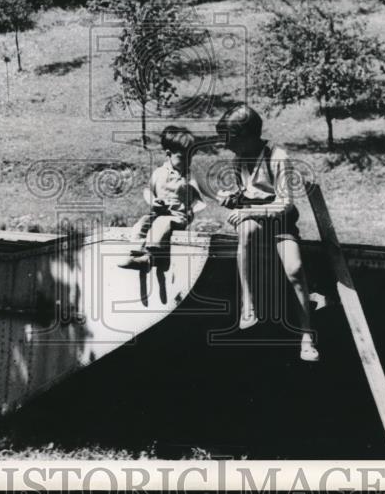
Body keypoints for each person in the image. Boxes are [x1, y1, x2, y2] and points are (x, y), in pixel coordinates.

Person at [215, 104, 320, 362]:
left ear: (248, 136)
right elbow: (247, 196)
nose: (227, 146)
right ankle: (248, 306)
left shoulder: (277, 157)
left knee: (294, 269)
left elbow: (285, 204)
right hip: (255, 225)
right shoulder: (239, 160)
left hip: (280, 225)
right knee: (248, 230)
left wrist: (250, 212)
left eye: (231, 140)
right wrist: (233, 199)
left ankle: (307, 335)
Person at [118, 125, 203, 271]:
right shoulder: (159, 173)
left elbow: (199, 194)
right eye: (183, 158)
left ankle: (150, 257)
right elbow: (148, 190)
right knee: (142, 224)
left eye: (190, 157)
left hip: (178, 216)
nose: (187, 162)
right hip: (158, 214)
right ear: (169, 154)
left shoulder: (188, 176)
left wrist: (192, 210)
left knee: (162, 223)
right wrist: (153, 201)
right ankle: (135, 253)